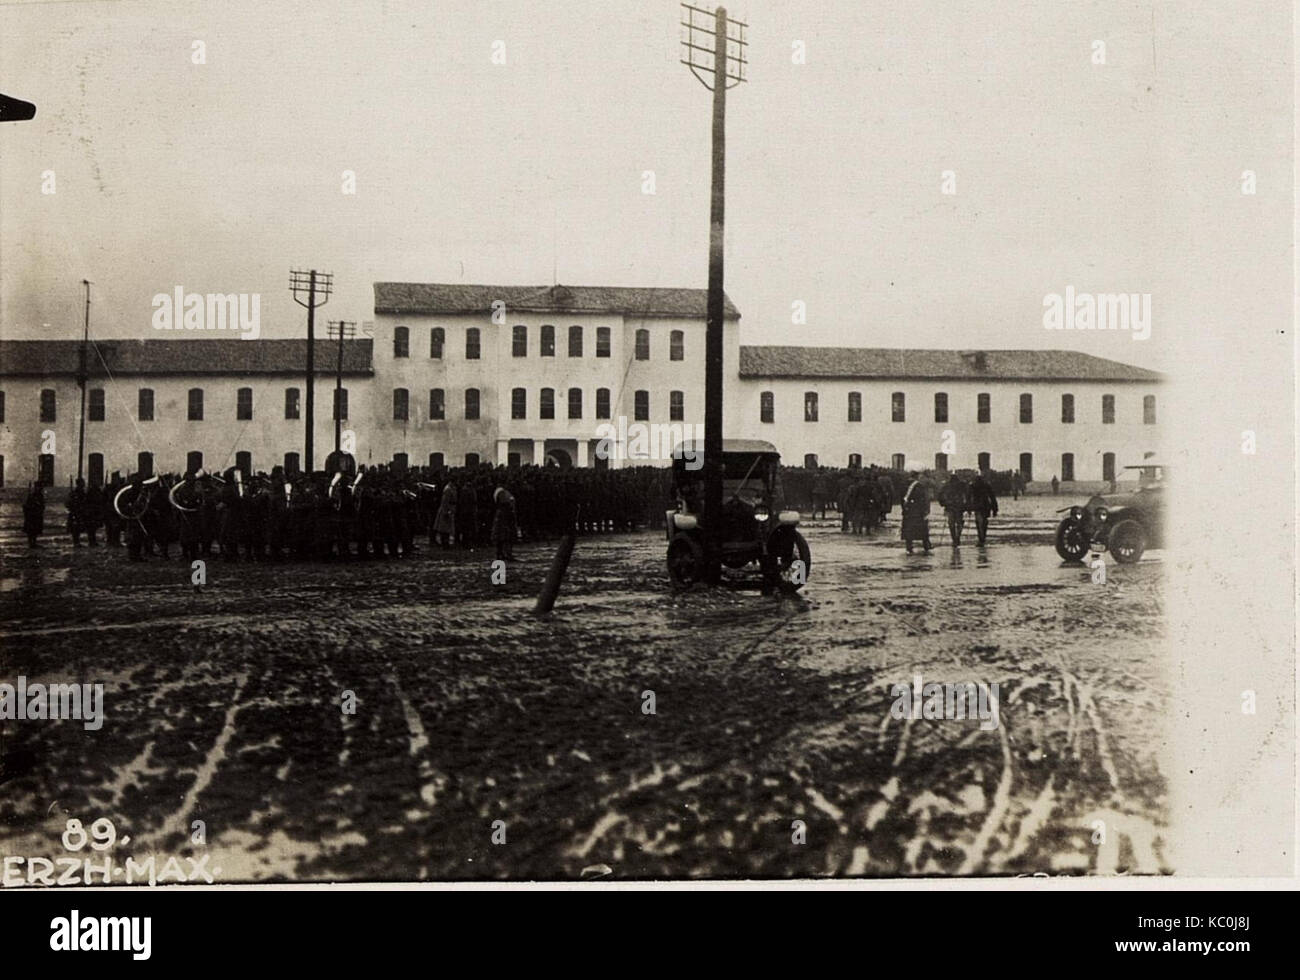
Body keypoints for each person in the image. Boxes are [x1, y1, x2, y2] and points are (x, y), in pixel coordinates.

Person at [900, 476, 932, 554]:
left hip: (908, 511)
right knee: (922, 530)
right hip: (918, 512)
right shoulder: (920, 486)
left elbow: (902, 499)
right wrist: (926, 510)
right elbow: (925, 499)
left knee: (908, 530)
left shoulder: (904, 486)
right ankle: (926, 545)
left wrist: (904, 509)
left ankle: (909, 547)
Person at [967, 470, 1000, 546]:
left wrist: (968, 508)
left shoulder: (973, 485)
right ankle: (983, 538)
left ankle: (981, 539)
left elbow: (969, 497)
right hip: (986, 506)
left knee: (979, 523)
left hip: (977, 507)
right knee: (984, 523)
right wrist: (995, 509)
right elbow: (992, 497)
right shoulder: (986, 485)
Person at [938, 473, 968, 547]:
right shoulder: (962, 485)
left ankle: (954, 539)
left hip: (950, 507)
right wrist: (967, 507)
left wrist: (943, 504)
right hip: (959, 507)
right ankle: (957, 537)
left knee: (951, 524)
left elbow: (940, 496)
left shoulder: (946, 485)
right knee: (959, 523)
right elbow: (967, 494)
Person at [491, 486, 518, 562]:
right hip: (504, 526)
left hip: (503, 525)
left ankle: (503, 554)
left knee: (503, 538)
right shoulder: (504, 510)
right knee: (504, 538)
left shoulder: (502, 510)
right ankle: (504, 554)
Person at [23, 480, 46, 549]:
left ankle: (34, 542)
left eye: (41, 487)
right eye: (38, 487)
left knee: (35, 530)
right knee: (31, 530)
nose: (40, 489)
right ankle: (31, 543)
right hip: (32, 515)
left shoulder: (40, 495)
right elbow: (27, 505)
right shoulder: (32, 495)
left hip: (37, 515)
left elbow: (42, 505)